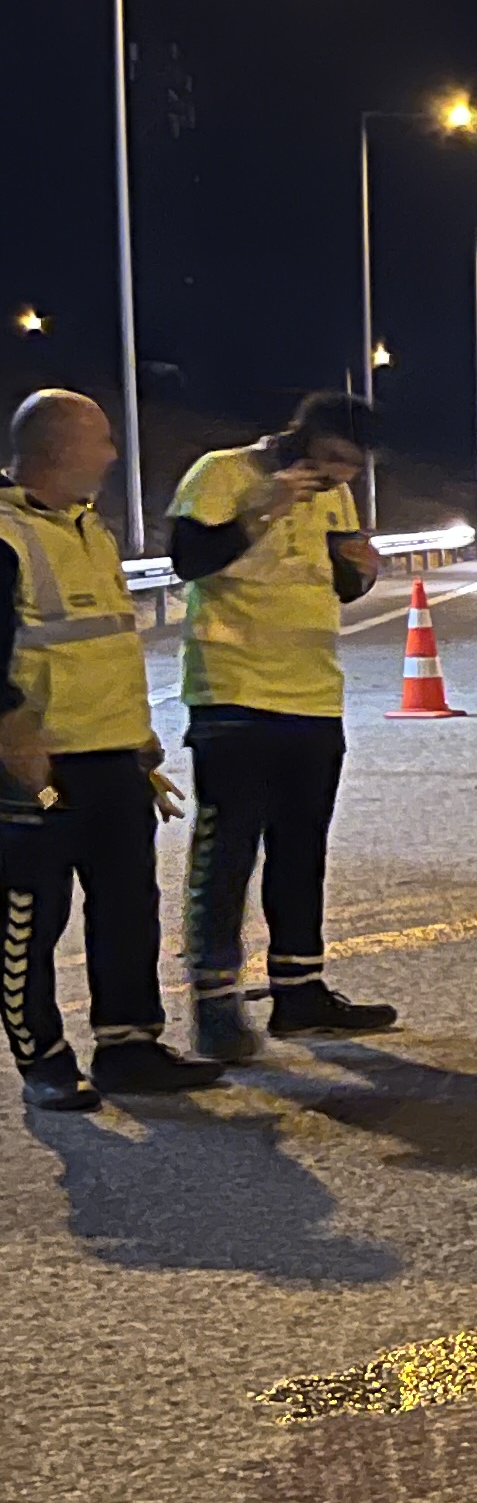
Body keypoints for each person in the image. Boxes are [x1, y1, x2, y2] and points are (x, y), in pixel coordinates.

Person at [2, 389, 229, 1109]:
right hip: (35, 769)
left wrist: (136, 741)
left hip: (110, 759)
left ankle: (129, 1046)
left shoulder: (88, 530)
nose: (111, 453)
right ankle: (42, 1059)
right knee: (29, 919)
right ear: (58, 449)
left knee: (129, 905)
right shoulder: (5, 533)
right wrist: (16, 739)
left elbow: (101, 646)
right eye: (99, 440)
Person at [168, 391, 400, 1060]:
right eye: (331, 459)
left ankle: (299, 992)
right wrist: (270, 504)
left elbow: (339, 581)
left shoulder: (337, 495)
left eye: (353, 467)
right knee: (227, 852)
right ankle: (214, 1004)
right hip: (233, 691)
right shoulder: (222, 473)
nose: (339, 476)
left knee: (302, 850)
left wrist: (360, 572)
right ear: (300, 436)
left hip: (312, 694)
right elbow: (188, 558)